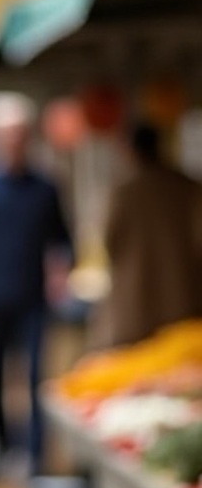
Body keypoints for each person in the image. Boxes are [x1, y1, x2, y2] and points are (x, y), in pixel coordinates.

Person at [0, 93, 72, 479]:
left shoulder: (45, 186)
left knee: (38, 376)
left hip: (34, 297)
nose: (14, 140)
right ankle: (2, 449)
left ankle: (37, 455)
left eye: (20, 133)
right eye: (7, 133)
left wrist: (61, 270)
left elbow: (62, 239)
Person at [101, 120, 202, 347]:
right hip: (183, 293)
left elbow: (110, 240)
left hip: (136, 298)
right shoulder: (187, 188)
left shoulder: (124, 192)